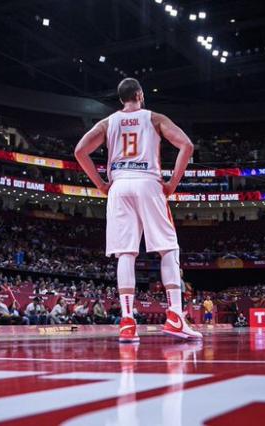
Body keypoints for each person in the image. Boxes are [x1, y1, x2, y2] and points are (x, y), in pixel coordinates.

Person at [74, 77, 201, 343]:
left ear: (121, 99)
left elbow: (80, 151)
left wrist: (101, 185)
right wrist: (172, 184)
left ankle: (128, 321)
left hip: (119, 185)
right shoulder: (155, 118)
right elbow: (186, 145)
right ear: (140, 95)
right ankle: (176, 316)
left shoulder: (108, 122)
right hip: (148, 183)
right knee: (168, 248)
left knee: (126, 253)